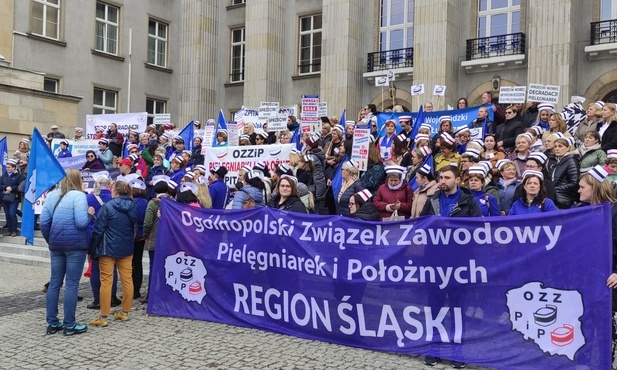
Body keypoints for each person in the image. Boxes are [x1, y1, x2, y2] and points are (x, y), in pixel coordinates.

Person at [420, 165, 480, 368]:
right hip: (435, 262)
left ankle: (457, 350)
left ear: (457, 180)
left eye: (447, 177)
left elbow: (477, 229)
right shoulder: (433, 200)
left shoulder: (468, 202)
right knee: (434, 307)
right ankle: (434, 348)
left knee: (457, 309)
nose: (442, 180)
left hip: (458, 263)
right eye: (440, 177)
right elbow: (421, 225)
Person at [40, 168, 93, 336]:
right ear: (77, 179)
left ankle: (52, 323)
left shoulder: (52, 195)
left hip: (56, 245)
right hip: (75, 245)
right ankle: (69, 324)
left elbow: (44, 223)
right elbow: (81, 223)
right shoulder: (79, 196)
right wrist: (90, 214)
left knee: (55, 283)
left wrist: (52, 239)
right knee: (71, 284)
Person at [89, 180, 138, 327]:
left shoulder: (107, 206)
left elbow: (98, 230)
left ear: (114, 191)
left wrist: (92, 249)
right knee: (127, 279)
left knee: (106, 281)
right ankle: (125, 312)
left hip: (107, 248)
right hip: (126, 247)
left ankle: (103, 316)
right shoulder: (133, 206)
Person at [128, 179, 148, 300]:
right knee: (138, 262)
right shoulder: (146, 203)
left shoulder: (131, 203)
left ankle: (131, 288)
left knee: (129, 263)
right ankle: (136, 289)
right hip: (141, 236)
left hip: (130, 236)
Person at [549, 136, 579, 209]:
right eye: (555, 146)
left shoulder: (571, 161)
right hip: (557, 199)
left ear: (568, 148)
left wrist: (557, 189)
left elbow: (575, 183)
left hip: (564, 201)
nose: (557, 148)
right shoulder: (560, 161)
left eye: (560, 146)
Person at [1, 160, 24, 237]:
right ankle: (9, 229)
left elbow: (20, 186)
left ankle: (14, 230)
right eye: (6, 167)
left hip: (14, 197)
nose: (7, 168)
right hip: (5, 197)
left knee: (12, 213)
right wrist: (5, 188)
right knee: (7, 214)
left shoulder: (18, 176)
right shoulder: (3, 176)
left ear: (14, 167)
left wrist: (12, 188)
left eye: (9, 167)